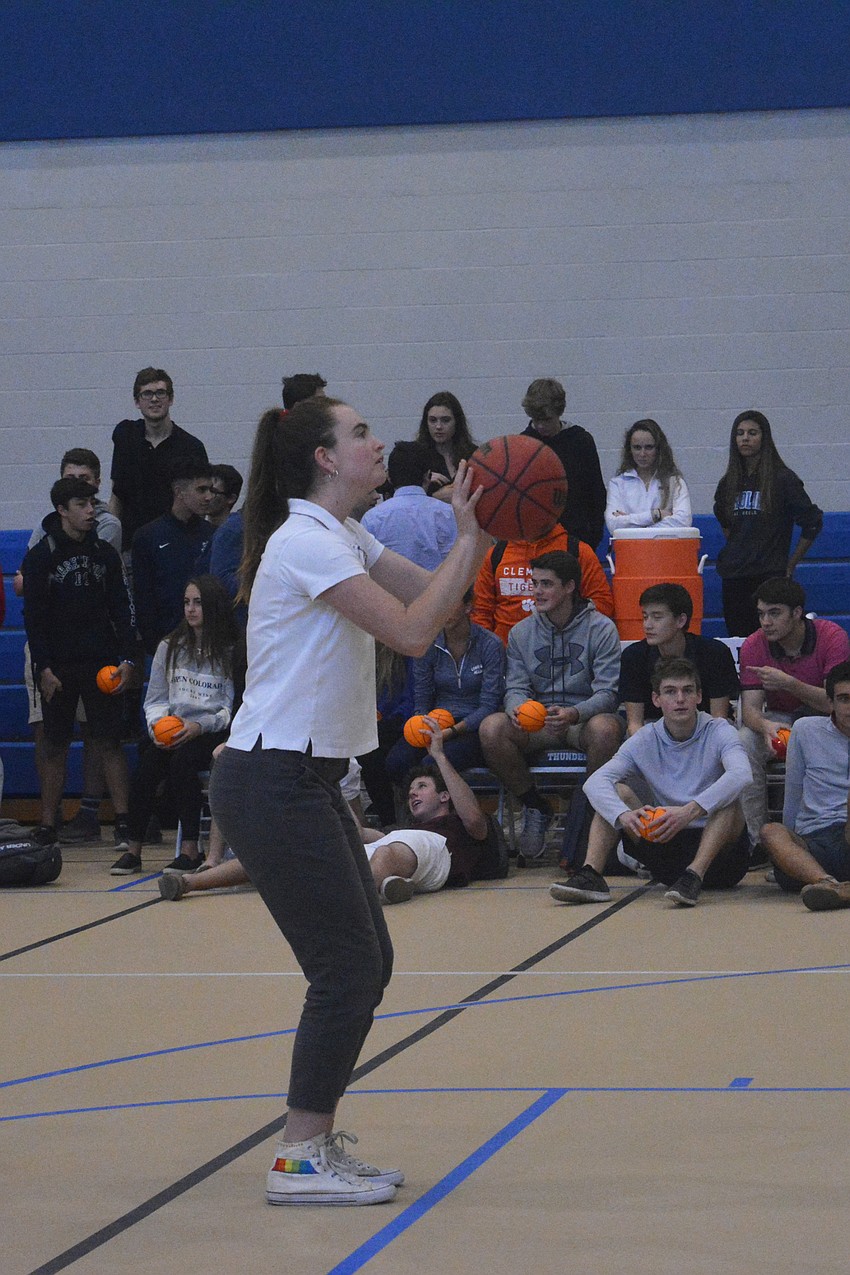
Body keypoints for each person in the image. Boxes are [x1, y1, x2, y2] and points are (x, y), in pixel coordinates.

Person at [208, 397, 490, 1205]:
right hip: (270, 778)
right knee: (345, 966)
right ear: (327, 459)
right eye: (360, 432)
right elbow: (409, 631)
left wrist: (479, 525)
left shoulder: (345, 535)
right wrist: (469, 538)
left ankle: (316, 1142)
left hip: (309, 777)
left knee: (371, 959)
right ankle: (298, 1158)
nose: (376, 442)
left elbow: (442, 603)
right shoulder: (302, 542)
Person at [551, 658, 752, 908]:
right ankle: (591, 875)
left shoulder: (720, 730)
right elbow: (595, 782)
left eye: (687, 691)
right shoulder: (646, 737)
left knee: (730, 800)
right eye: (670, 692)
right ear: (656, 700)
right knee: (616, 793)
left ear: (699, 697)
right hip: (666, 845)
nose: (680, 699)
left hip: (721, 857)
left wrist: (689, 811)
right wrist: (623, 816)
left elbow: (742, 774)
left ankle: (694, 876)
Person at [478, 551, 623, 863]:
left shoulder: (602, 629)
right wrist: (518, 709)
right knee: (492, 728)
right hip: (538, 721)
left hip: (582, 718)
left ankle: (584, 815)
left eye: (546, 584)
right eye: (534, 583)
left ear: (570, 587)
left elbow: (609, 693)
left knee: (607, 728)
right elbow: (516, 686)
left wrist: (575, 713)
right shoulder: (520, 633)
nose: (537, 591)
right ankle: (535, 806)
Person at [13, 448, 123, 843]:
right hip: (54, 655)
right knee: (52, 737)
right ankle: (48, 820)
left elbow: (115, 603)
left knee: (103, 736)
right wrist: (44, 663)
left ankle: (111, 817)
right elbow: (28, 597)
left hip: (95, 654)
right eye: (79, 500)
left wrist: (124, 655)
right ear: (61, 507)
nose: (89, 507)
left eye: (91, 496)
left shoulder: (105, 539)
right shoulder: (44, 546)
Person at [111, 576, 238, 875]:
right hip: (172, 726)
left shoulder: (231, 650)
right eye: (186, 602)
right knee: (146, 767)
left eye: (198, 603)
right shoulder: (169, 646)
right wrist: (157, 727)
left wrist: (199, 726)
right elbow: (154, 698)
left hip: (212, 729)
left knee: (183, 764)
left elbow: (229, 707)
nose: (191, 609)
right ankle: (133, 849)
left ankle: (190, 849)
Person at [737, 576, 850, 855]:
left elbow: (834, 703)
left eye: (774, 613)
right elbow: (750, 710)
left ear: (797, 613)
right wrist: (764, 726)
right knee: (743, 741)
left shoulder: (832, 636)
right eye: (761, 614)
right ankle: (758, 843)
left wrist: (788, 683)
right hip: (780, 719)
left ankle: (826, 832)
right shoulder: (754, 645)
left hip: (824, 720)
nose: (766, 622)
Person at [361, 716, 506, 903]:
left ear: (444, 796)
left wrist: (439, 755)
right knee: (355, 850)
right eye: (411, 791)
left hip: (437, 849)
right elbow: (359, 832)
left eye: (421, 786)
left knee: (384, 854)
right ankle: (390, 883)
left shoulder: (459, 825)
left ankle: (352, 906)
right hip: (405, 847)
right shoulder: (409, 830)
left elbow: (473, 819)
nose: (412, 794)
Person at [713, 409, 823, 637]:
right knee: (741, 639)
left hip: (769, 575)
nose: (745, 438)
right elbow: (725, 521)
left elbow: (812, 522)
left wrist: (790, 565)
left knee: (770, 639)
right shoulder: (728, 482)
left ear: (764, 438)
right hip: (734, 577)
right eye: (740, 433)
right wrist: (740, 547)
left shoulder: (783, 479)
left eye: (752, 433)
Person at [384, 587, 506, 779]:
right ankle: (408, 808)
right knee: (397, 761)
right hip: (436, 722)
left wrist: (451, 731)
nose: (444, 611)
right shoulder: (428, 644)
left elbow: (489, 705)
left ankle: (447, 807)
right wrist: (423, 726)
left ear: (468, 606)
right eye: (441, 605)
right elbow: (422, 695)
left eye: (451, 603)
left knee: (432, 765)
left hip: (473, 726)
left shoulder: (490, 645)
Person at [760, 661, 850, 910]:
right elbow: (793, 790)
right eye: (844, 699)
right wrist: (787, 851)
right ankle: (828, 885)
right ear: (830, 703)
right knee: (770, 831)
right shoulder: (806, 730)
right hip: (814, 842)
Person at [110, 367, 208, 553]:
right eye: (147, 394)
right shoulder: (125, 436)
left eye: (160, 393)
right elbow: (116, 496)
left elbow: (199, 503)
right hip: (131, 546)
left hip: (175, 546)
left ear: (171, 399)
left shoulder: (191, 447)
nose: (154, 399)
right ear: (137, 401)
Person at [619, 583, 739, 735]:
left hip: (706, 727)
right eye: (645, 617)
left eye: (657, 617)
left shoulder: (714, 653)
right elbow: (635, 724)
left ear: (681, 620)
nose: (647, 625)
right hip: (654, 728)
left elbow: (718, 719)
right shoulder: (633, 656)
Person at [471, 524, 613, 644]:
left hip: (565, 652)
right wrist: (489, 653)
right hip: (506, 655)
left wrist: (571, 636)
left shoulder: (578, 551)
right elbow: (480, 611)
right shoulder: (496, 554)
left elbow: (602, 605)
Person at [131, 457, 214, 654]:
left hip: (207, 644)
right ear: (179, 491)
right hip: (163, 644)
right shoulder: (147, 537)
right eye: (201, 489)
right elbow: (143, 598)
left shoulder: (213, 535)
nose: (209, 496)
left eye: (211, 490)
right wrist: (155, 644)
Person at [519, 378, 606, 548]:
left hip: (576, 534)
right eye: (536, 420)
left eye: (547, 420)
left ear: (559, 413)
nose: (541, 426)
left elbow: (596, 491)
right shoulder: (523, 443)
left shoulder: (580, 440)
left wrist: (594, 535)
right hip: (536, 538)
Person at [361, 441, 457, 568]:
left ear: (388, 477)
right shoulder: (448, 513)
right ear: (428, 476)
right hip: (441, 585)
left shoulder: (372, 518)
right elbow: (457, 563)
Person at [605, 418, 691, 534]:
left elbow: (683, 521)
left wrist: (633, 526)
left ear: (659, 449)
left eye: (649, 447)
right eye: (637, 447)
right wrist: (656, 515)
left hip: (665, 548)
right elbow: (613, 525)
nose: (642, 454)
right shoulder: (617, 483)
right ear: (629, 450)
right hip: (630, 550)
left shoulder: (675, 482)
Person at [414, 391, 477, 500]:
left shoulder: (473, 454)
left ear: (457, 422)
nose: (438, 426)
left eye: (445, 420)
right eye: (432, 420)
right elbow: (406, 500)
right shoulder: (415, 456)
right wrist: (433, 496)